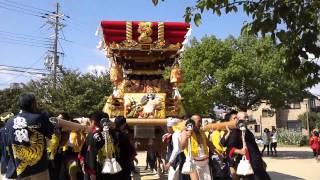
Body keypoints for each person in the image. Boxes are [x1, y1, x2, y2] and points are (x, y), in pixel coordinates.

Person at [5, 92, 55, 179]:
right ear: (33, 104)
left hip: (20, 170)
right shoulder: (39, 118)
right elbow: (50, 133)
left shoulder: (9, 122)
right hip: (39, 169)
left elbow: (8, 144)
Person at [225, 111, 270, 180]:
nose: (247, 119)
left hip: (257, 163)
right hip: (249, 164)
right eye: (245, 117)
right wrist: (240, 151)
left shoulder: (247, 131)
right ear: (238, 119)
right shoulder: (236, 131)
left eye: (247, 117)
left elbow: (253, 147)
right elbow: (230, 147)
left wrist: (261, 160)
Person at [180, 115, 213, 180]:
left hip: (205, 162)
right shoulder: (185, 132)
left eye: (201, 121)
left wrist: (218, 153)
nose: (200, 123)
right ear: (192, 122)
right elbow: (182, 147)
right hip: (194, 162)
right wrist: (187, 137)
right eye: (199, 121)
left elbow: (209, 144)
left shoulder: (202, 132)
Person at [79, 111, 106, 180]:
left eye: (90, 122)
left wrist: (92, 172)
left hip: (95, 169)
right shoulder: (109, 134)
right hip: (107, 168)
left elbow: (91, 154)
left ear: (93, 121)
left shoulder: (93, 135)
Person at [114, 116, 136, 180]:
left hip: (113, 163)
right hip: (123, 163)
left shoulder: (110, 134)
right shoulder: (123, 136)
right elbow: (129, 149)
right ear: (124, 124)